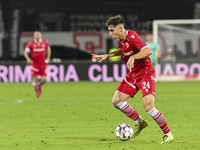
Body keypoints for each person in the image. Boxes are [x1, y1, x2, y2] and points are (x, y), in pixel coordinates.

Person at [92, 15, 174, 144]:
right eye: (109, 30)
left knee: (148, 107)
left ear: (120, 29)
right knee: (117, 101)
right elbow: (123, 51)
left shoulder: (132, 36)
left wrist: (133, 57)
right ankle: (140, 122)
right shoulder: (121, 39)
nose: (110, 33)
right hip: (132, 75)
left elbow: (147, 51)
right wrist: (108, 55)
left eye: (112, 30)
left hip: (146, 73)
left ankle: (168, 134)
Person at [24, 31, 51, 98]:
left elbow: (49, 50)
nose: (37, 36)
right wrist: (28, 58)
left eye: (38, 34)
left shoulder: (45, 42)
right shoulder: (31, 44)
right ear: (34, 36)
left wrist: (48, 58)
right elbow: (25, 52)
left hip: (42, 64)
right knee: (35, 80)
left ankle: (39, 86)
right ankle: (38, 93)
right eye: (36, 35)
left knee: (44, 79)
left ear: (41, 35)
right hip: (34, 64)